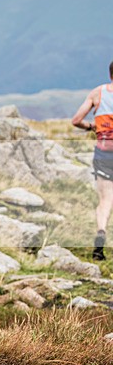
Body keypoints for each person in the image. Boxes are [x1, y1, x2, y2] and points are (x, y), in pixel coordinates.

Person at [71, 60, 113, 261]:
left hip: (104, 152)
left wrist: (91, 127)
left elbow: (75, 120)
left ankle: (101, 233)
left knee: (105, 200)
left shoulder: (98, 93)